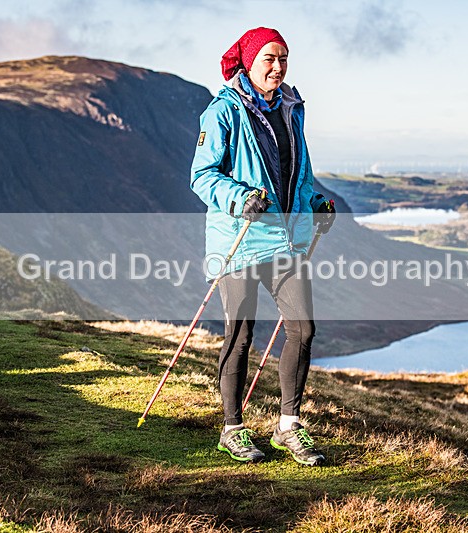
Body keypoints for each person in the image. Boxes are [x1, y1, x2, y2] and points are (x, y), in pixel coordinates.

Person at [190, 27, 336, 466]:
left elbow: (298, 176)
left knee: (303, 330)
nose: (278, 66)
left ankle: (289, 428)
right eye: (270, 58)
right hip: (240, 240)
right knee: (239, 335)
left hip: (287, 240)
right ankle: (232, 430)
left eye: (284, 58)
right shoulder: (222, 112)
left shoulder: (292, 111)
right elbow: (202, 176)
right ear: (249, 62)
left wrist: (316, 203)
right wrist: (239, 198)